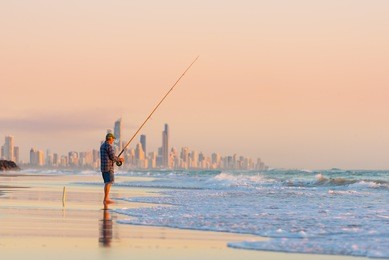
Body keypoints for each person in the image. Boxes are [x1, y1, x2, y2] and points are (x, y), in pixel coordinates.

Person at [100, 133, 124, 205]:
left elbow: (110, 156)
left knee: (107, 182)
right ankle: (106, 199)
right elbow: (112, 157)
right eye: (113, 139)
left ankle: (105, 198)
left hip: (103, 167)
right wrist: (120, 159)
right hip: (108, 167)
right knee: (109, 182)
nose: (113, 140)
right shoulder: (109, 146)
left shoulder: (102, 146)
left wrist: (117, 159)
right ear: (110, 138)